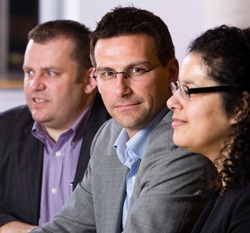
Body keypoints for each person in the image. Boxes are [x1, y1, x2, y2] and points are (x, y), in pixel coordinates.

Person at [30, 6, 216, 233]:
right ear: (95, 77)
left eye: (137, 70)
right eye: (108, 73)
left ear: (171, 71)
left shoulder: (184, 142)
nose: (120, 89)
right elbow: (66, 227)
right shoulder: (109, 135)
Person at [0, 20, 110, 232]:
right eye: (29, 72)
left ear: (89, 80)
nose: (35, 85)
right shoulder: (4, 129)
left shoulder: (119, 132)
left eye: (50, 73)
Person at [167, 25, 250, 233]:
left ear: (239, 107)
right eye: (177, 88)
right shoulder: (223, 184)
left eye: (188, 90)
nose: (171, 102)